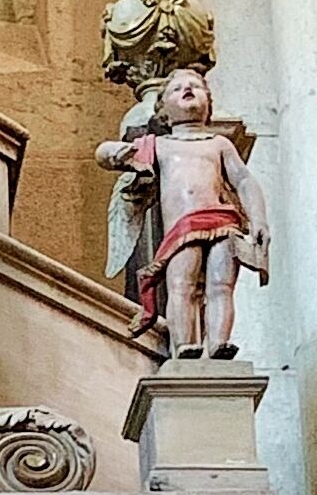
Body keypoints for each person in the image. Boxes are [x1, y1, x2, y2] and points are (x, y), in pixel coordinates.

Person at [99, 62, 268, 358]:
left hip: (223, 221)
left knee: (221, 285)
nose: (187, 89)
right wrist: (115, 153)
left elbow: (243, 180)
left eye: (196, 86)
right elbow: (102, 153)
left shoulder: (218, 144)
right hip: (183, 227)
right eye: (177, 89)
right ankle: (184, 345)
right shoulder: (159, 145)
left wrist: (259, 220)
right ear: (163, 110)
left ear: (208, 104)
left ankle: (218, 343)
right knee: (181, 285)